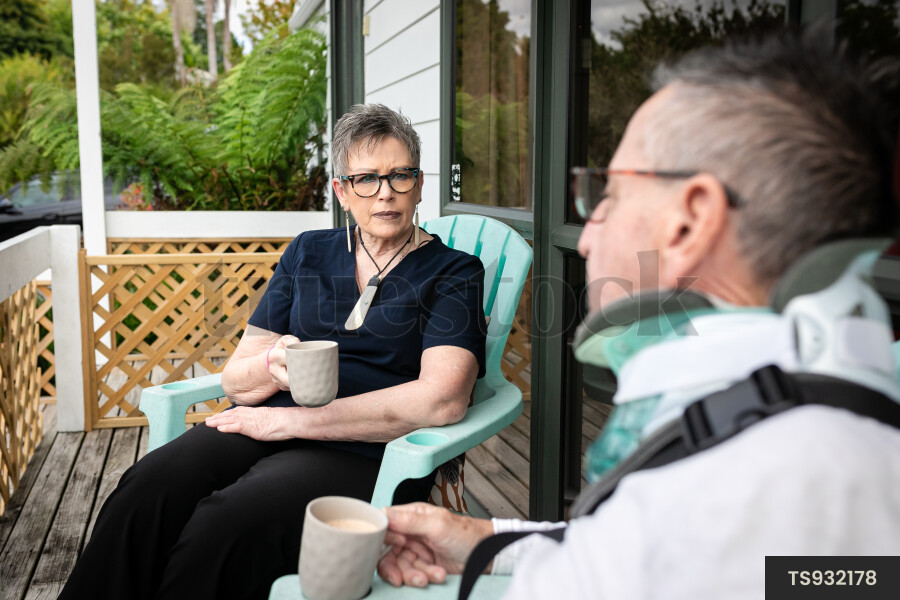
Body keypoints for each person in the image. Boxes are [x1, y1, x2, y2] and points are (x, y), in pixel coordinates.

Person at [377, 33, 900, 598]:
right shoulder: (795, 439)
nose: (586, 236)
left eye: (610, 194)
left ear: (690, 220)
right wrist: (487, 538)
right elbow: (680, 554)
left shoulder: (767, 479)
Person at [59, 104, 487, 600]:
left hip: (368, 449)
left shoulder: (454, 272)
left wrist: (295, 423)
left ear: (418, 183)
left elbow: (442, 399)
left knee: (227, 523)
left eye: (400, 175)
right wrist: (270, 364)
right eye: (366, 178)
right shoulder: (307, 251)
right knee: (147, 486)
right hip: (265, 422)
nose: (386, 192)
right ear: (342, 192)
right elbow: (237, 377)